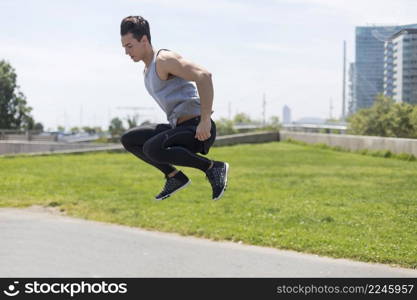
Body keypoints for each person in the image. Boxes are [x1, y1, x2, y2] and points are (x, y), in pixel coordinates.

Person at [119, 16, 229, 201]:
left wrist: (205, 120)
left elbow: (204, 76)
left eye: (129, 46)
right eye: (124, 47)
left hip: (197, 129)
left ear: (144, 40)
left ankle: (213, 167)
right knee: (129, 139)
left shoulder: (164, 59)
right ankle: (174, 176)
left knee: (152, 148)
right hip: (178, 128)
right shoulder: (147, 71)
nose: (126, 52)